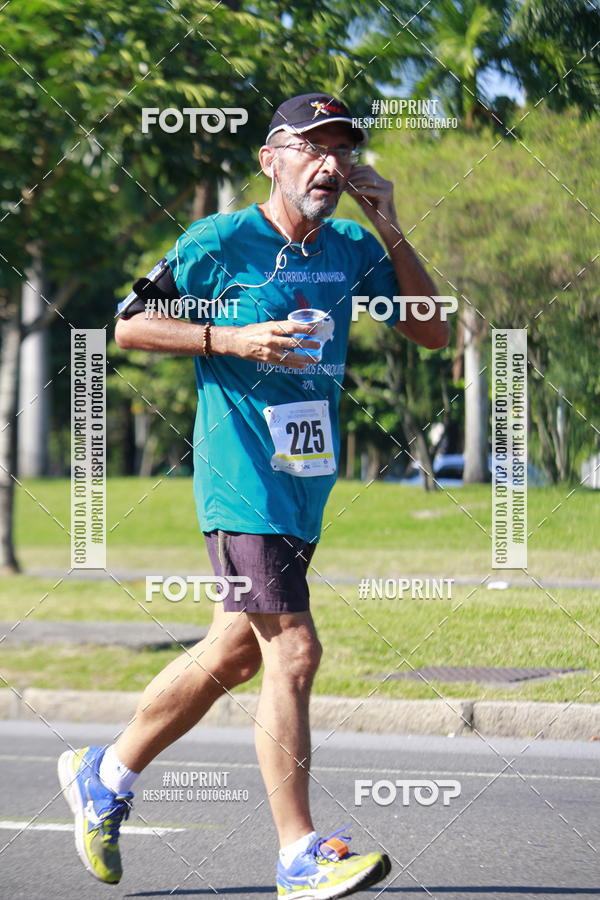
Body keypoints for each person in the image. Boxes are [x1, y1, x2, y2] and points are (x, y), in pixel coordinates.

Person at [58, 92, 449, 897]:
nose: (330, 163)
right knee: (294, 650)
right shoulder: (218, 242)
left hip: (301, 484)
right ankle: (297, 853)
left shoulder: (348, 247)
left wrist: (391, 226)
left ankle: (107, 772)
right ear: (271, 158)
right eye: (312, 146)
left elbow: (431, 329)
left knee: (238, 650)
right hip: (240, 479)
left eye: (342, 148)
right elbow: (129, 324)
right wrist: (229, 337)